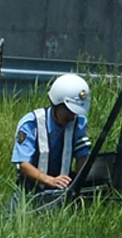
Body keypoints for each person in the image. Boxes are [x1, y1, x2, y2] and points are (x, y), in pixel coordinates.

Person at [8, 74, 92, 212]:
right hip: (30, 191)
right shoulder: (31, 124)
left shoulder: (79, 123)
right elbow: (23, 164)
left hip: (63, 191)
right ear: (57, 103)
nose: (72, 117)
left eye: (75, 113)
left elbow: (82, 156)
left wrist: (79, 183)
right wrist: (49, 180)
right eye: (69, 111)